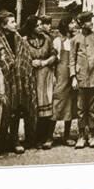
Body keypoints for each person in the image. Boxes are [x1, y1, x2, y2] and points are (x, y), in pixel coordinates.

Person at [0, 10, 36, 154]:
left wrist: (21, 69)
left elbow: (25, 56)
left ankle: (15, 140)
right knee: (3, 111)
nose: (15, 24)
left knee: (16, 109)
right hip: (3, 80)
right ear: (3, 25)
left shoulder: (18, 38)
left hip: (19, 80)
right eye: (12, 22)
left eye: (14, 21)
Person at [70, 11, 94, 149]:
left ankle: (92, 135)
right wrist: (73, 77)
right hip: (81, 78)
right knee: (81, 109)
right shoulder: (75, 39)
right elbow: (72, 59)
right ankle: (81, 135)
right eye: (88, 21)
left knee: (92, 109)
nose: (91, 23)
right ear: (82, 24)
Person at [23, 15, 57, 150]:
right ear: (31, 26)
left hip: (46, 74)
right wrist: (30, 62)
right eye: (37, 25)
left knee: (46, 105)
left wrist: (45, 62)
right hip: (31, 76)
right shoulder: (24, 40)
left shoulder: (47, 39)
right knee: (33, 106)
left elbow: (54, 55)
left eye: (40, 25)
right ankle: (31, 138)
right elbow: (21, 57)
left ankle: (43, 137)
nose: (40, 27)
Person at [51, 16, 79, 147]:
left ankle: (66, 136)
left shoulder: (75, 40)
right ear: (65, 25)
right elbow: (54, 61)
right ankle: (48, 136)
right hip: (61, 75)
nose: (74, 24)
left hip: (73, 75)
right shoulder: (58, 41)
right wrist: (54, 76)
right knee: (57, 103)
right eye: (72, 22)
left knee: (71, 104)